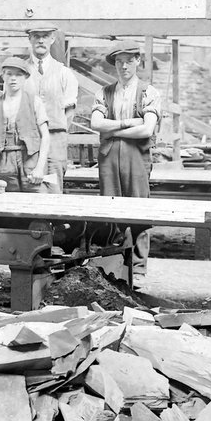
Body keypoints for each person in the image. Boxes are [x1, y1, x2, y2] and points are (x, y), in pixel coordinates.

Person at [89, 45, 161, 278]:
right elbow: (96, 123)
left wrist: (113, 131)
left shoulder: (148, 92)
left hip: (136, 156)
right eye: (119, 61)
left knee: (138, 208)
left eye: (129, 61)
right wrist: (127, 123)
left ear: (137, 61)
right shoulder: (104, 92)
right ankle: (114, 266)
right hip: (109, 157)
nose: (124, 66)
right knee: (110, 208)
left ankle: (137, 268)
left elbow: (146, 129)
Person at [22, 22, 79, 192]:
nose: (41, 40)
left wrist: (57, 134)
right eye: (36, 36)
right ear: (30, 39)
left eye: (45, 36)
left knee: (53, 187)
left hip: (56, 141)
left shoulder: (64, 73)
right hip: (28, 142)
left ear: (52, 39)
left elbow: (69, 112)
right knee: (30, 187)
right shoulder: (19, 72)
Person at [0, 56, 52, 193]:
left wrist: (39, 168)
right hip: (4, 163)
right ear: (3, 76)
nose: (13, 79)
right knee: (7, 201)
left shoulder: (35, 102)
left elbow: (45, 136)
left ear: (25, 77)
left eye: (18, 75)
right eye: (9, 74)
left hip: (30, 161)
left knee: (37, 199)